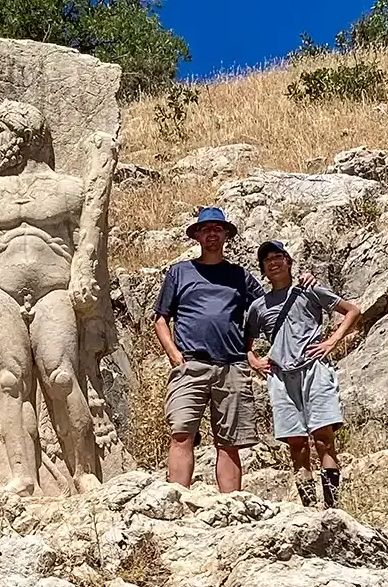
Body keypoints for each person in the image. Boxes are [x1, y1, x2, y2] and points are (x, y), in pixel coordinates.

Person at [0, 101, 119, 495]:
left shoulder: (71, 190)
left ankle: (84, 472)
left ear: (24, 136)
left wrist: (87, 282)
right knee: (10, 381)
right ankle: (23, 474)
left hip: (53, 289)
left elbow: (88, 247)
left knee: (61, 376)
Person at [153, 207, 268, 493]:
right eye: (206, 229)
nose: (212, 234)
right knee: (181, 433)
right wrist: (173, 354)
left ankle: (231, 507)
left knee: (229, 443)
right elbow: (160, 318)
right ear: (198, 236)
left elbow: (265, 310)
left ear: (226, 235)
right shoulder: (180, 272)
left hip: (232, 365)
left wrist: (250, 352)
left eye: (218, 229)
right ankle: (177, 501)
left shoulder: (240, 276)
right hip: (190, 364)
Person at [245, 240, 361, 508]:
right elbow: (246, 343)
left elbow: (352, 311)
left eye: (278, 257)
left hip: (313, 370)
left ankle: (332, 507)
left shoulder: (309, 291)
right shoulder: (258, 306)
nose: (273, 262)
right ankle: (309, 509)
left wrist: (332, 341)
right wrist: (254, 361)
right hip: (282, 377)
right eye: (267, 260)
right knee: (296, 444)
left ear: (288, 261)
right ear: (263, 269)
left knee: (323, 438)